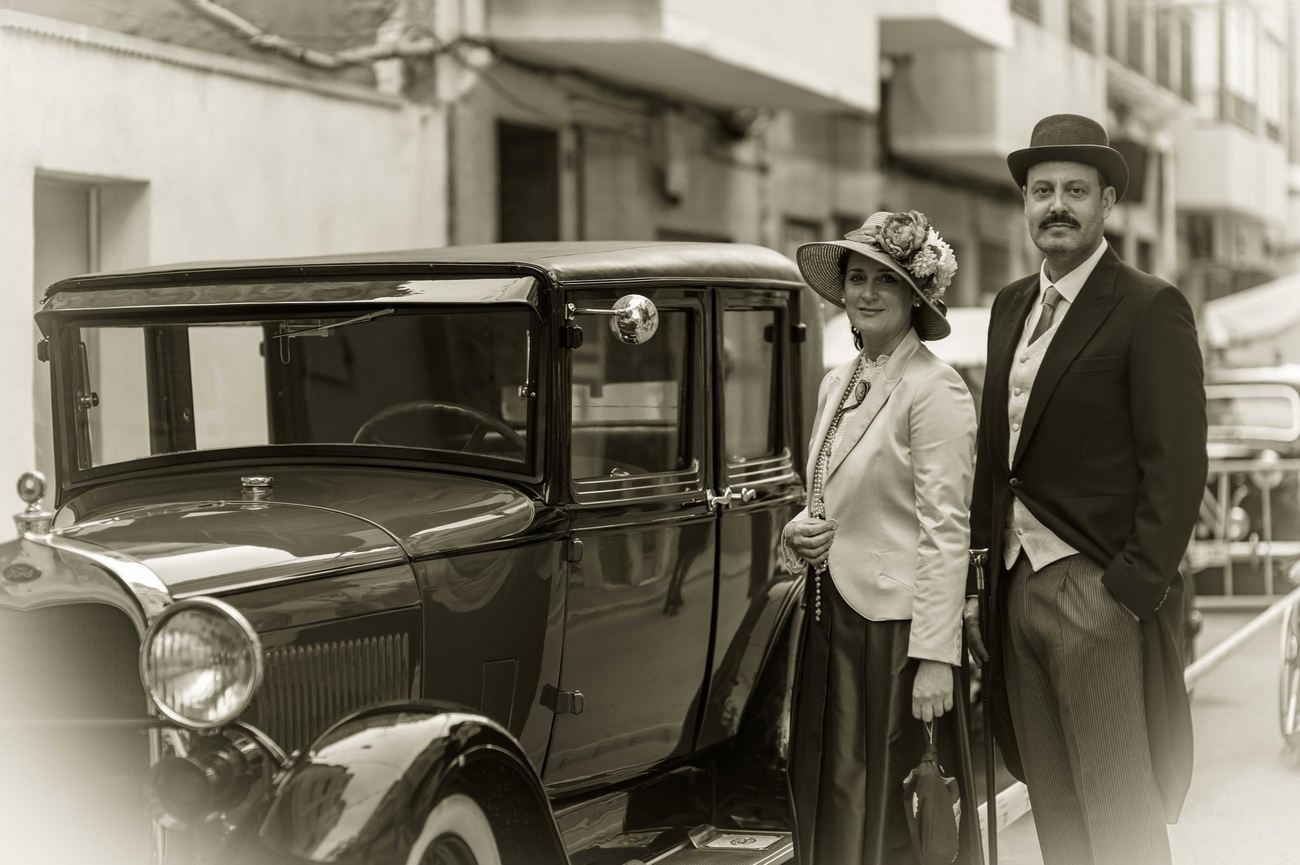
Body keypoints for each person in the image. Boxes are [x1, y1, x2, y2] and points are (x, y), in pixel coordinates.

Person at [964, 114, 1206, 865]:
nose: (1057, 205)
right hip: (1015, 587)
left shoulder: (1148, 305)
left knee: (1119, 812)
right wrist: (979, 583)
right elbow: (995, 455)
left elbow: (1178, 462)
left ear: (1107, 203)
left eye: (1075, 190)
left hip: (1098, 588)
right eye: (1042, 191)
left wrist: (1130, 588)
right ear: (1025, 203)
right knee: (1055, 806)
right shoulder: (1009, 305)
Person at [785, 211, 978, 865]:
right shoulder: (836, 382)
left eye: (886, 280)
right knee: (834, 794)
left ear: (915, 295)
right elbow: (829, 492)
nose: (866, 293)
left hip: (895, 635)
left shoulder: (935, 387)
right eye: (857, 278)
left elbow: (946, 529)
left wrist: (935, 657)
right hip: (831, 624)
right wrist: (799, 527)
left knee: (888, 808)